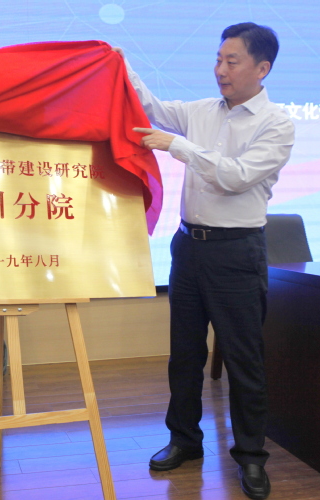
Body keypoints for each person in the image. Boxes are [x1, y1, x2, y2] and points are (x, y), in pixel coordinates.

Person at [113, 22, 294, 500]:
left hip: (237, 252)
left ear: (262, 68)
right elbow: (151, 108)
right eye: (218, 59)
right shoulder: (201, 111)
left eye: (232, 61)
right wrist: (119, 63)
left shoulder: (277, 123)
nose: (220, 70)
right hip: (188, 247)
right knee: (185, 354)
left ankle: (251, 456)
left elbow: (235, 177)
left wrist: (177, 146)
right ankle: (185, 440)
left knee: (243, 359)